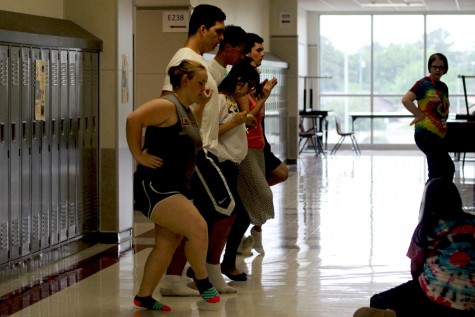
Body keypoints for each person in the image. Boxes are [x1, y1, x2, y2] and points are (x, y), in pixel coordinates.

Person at [159, 4, 242, 296]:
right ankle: (204, 274)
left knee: (199, 216)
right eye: (218, 31)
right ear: (203, 28)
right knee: (225, 208)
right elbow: (168, 103)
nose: (220, 38)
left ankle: (181, 277)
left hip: (201, 148)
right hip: (193, 151)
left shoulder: (195, 60)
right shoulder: (186, 60)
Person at [127, 60, 220, 311]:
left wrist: (201, 105)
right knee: (198, 228)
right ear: (185, 80)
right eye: (200, 83)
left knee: (167, 243)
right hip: (156, 186)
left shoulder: (186, 110)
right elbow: (133, 119)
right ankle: (201, 280)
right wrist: (139, 155)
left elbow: (191, 133)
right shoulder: (166, 105)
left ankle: (144, 296)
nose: (203, 88)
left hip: (175, 185)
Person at [354, 178, 475, 317]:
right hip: (468, 305)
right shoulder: (472, 223)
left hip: (432, 296)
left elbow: (415, 269)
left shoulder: (426, 228)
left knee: (377, 301)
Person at [402, 53, 455, 182]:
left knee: (442, 169)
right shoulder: (423, 84)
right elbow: (406, 100)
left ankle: (437, 198)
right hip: (425, 134)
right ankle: (430, 199)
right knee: (444, 169)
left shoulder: (443, 87)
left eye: (441, 67)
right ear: (429, 68)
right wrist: (419, 114)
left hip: (439, 135)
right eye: (434, 67)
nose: (437, 70)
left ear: (445, 69)